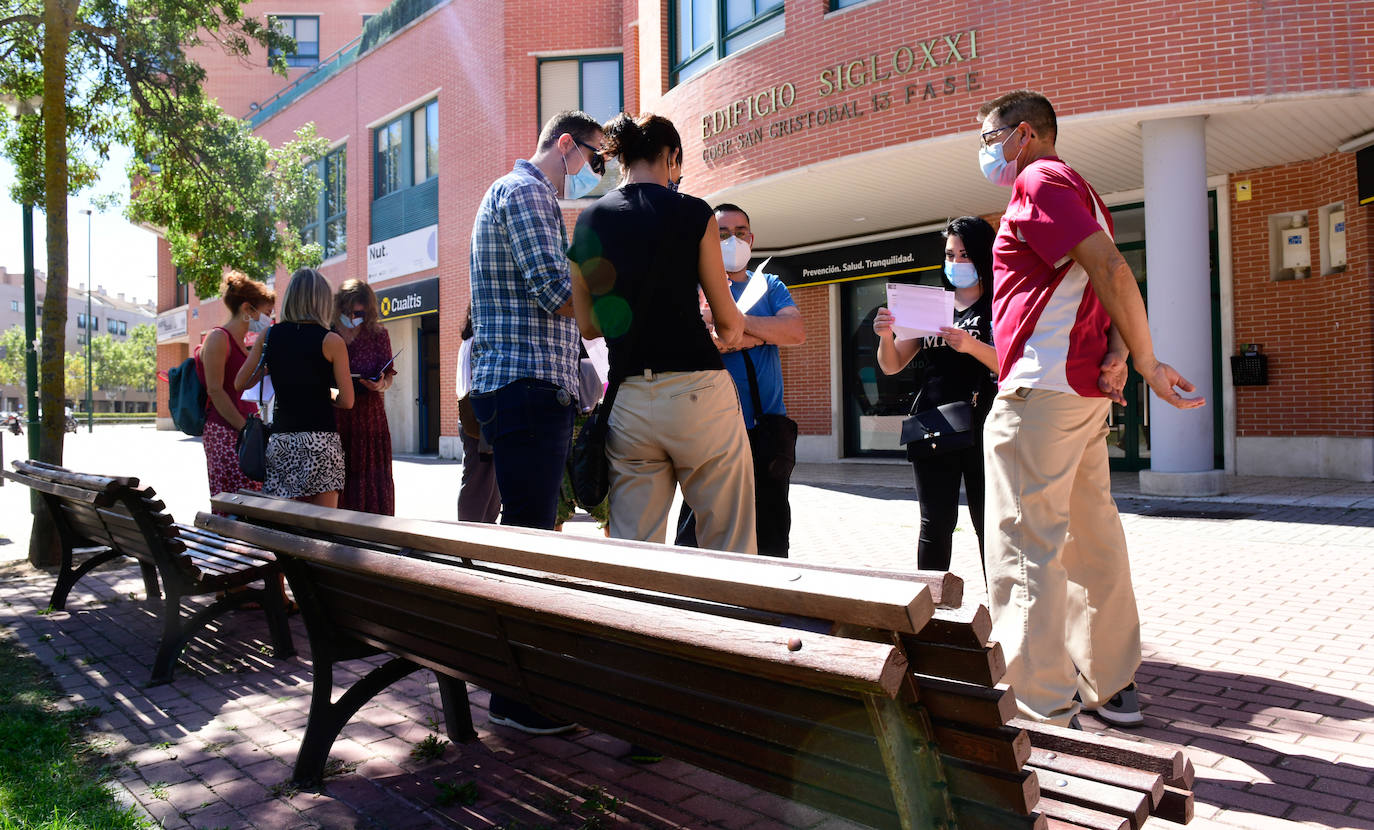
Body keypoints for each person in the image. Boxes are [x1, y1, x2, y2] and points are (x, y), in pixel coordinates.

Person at [976, 90, 1204, 728]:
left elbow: (1108, 267)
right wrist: (1120, 351)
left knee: (1026, 547)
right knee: (1092, 539)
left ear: (1024, 134)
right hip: (1078, 398)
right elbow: (1098, 280)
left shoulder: (1039, 181)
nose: (985, 153)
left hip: (1038, 397)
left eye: (990, 138)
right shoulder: (1083, 190)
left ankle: (1039, 706)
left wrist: (1148, 360)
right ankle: (1112, 686)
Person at [468, 110, 604, 735]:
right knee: (529, 539)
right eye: (593, 160)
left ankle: (515, 678)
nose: (592, 173)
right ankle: (514, 695)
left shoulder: (514, 193)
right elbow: (555, 291)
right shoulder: (527, 192)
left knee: (528, 528)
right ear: (567, 145)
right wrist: (625, 303)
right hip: (525, 389)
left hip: (520, 387)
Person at [569, 112, 755, 554]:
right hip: (698, 393)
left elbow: (590, 325)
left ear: (623, 158)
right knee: (729, 539)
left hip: (630, 399)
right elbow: (729, 323)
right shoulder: (693, 213)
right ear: (672, 157)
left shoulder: (589, 221)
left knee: (637, 554)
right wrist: (729, 330)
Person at [675, 203, 804, 557]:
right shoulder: (695, 287)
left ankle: (770, 606)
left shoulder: (769, 284)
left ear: (752, 237)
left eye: (740, 232)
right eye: (722, 234)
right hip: (711, 429)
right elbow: (707, 345)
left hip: (767, 429)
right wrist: (764, 333)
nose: (734, 240)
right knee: (699, 530)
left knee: (772, 533)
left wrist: (734, 323)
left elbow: (794, 331)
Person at [871, 216, 998, 572]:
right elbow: (893, 364)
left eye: (964, 254)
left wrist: (971, 345)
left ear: (983, 255)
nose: (956, 263)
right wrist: (885, 335)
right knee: (935, 526)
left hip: (984, 428)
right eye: (950, 255)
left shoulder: (998, 304)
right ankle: (929, 615)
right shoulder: (931, 303)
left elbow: (1010, 366)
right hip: (934, 424)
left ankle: (1004, 612)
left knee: (989, 525)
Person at [236, 267, 354, 507]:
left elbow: (241, 382)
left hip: (283, 440)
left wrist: (272, 367)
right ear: (321, 301)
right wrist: (326, 395)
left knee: (282, 525)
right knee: (324, 527)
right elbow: (347, 401)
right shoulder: (331, 341)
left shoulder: (269, 336)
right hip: (322, 441)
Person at [199, 272, 276, 503]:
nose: (268, 320)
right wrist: (244, 429)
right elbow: (215, 390)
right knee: (231, 501)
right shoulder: (218, 338)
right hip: (224, 431)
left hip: (245, 432)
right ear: (247, 309)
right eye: (266, 313)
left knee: (251, 500)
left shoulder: (245, 344)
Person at [333, 280, 396, 515]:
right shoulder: (329, 332)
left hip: (370, 417)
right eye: (347, 311)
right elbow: (320, 382)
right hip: (337, 414)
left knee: (372, 478)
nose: (352, 316)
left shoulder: (378, 334)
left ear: (367, 310)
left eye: (358, 312)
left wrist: (380, 384)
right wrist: (336, 393)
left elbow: (388, 377)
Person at [456, 307, 500, 524]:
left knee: (486, 479)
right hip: (479, 417)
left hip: (471, 416)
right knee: (479, 479)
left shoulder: (468, 342)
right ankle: (471, 533)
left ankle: (484, 531)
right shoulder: (477, 343)